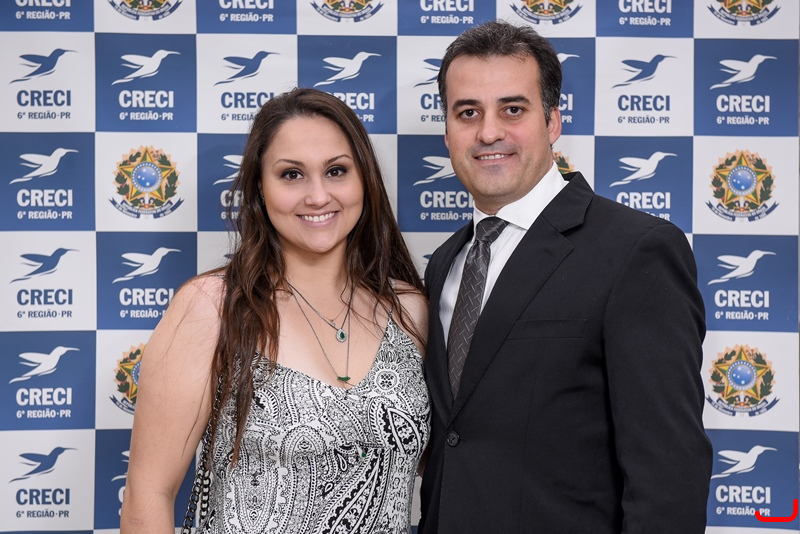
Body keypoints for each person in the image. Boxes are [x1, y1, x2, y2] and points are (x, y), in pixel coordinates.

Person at [419, 20, 712, 533]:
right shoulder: (447, 261)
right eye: (468, 113)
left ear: (553, 121)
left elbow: (669, 476)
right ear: (447, 132)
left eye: (513, 109)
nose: (488, 132)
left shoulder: (635, 251)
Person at [120, 88, 430, 533]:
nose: (318, 196)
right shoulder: (211, 307)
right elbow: (148, 493)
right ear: (260, 190)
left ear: (365, 180)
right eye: (291, 175)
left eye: (336, 171)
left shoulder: (409, 311)